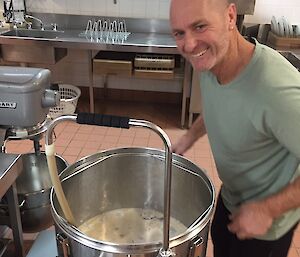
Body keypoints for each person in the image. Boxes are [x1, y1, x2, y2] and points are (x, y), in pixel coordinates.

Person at [169, 0, 300, 257]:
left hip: (265, 226)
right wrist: (190, 136)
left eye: (200, 26)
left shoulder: (276, 90)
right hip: (231, 198)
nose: (189, 44)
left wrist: (267, 210)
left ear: (230, 17)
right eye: (179, 33)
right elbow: (221, 104)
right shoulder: (210, 61)